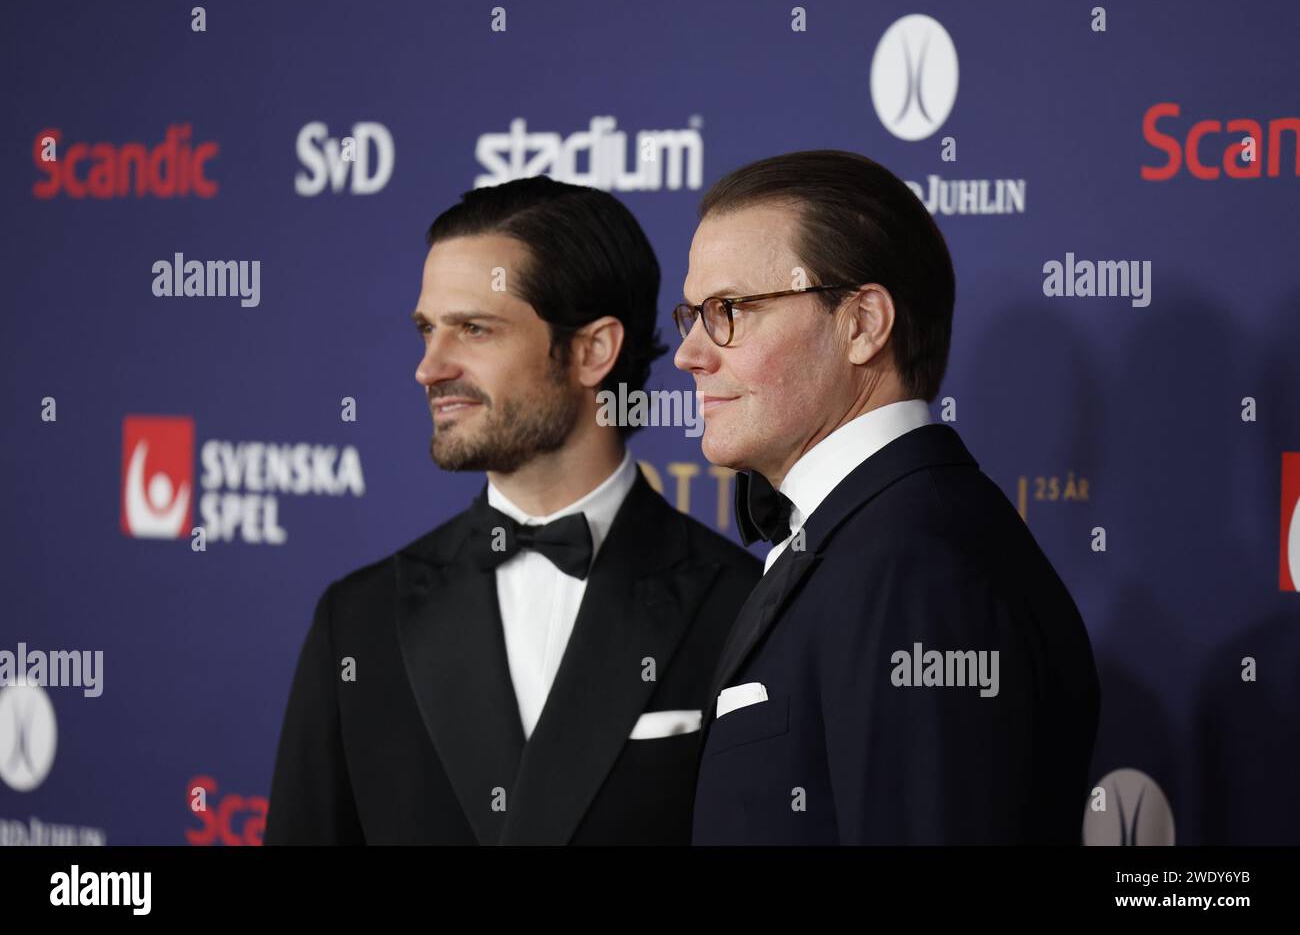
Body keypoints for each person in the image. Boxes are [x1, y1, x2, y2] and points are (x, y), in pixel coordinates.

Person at [266, 176, 759, 844]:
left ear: (593, 351)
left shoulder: (739, 610)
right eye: (426, 330)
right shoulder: (355, 622)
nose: (429, 367)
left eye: (473, 328)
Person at [674, 150, 1099, 844]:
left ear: (864, 323)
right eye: (692, 313)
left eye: (729, 310)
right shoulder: (873, 539)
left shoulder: (916, 567)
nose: (690, 352)